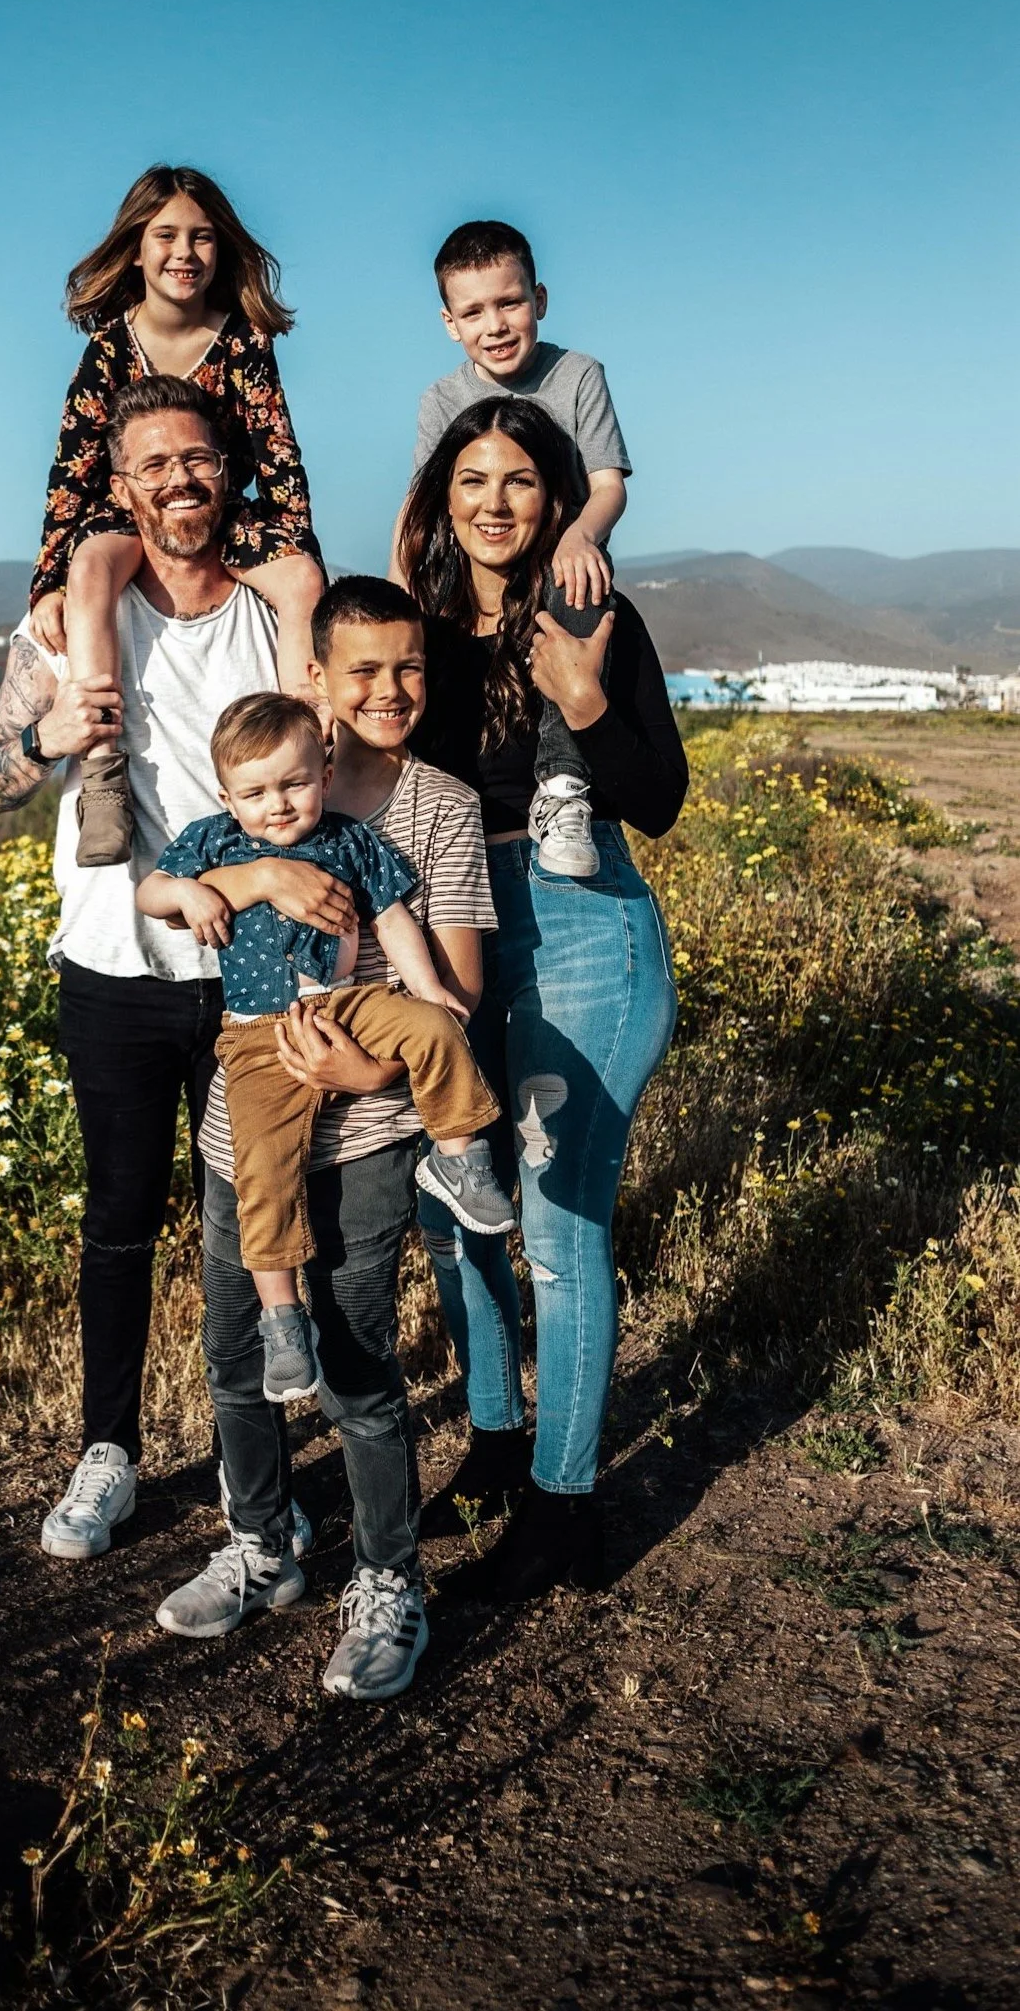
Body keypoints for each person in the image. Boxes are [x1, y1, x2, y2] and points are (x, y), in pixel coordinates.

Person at [0, 373, 323, 1563]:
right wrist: (41, 736)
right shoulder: (69, 624)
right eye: (155, 465)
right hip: (115, 964)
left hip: (251, 972)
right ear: (120, 489)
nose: (181, 480)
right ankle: (106, 1451)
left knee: (250, 1220)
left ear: (228, 474)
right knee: (120, 1216)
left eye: (199, 459)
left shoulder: (272, 618)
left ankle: (250, 1473)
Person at [154, 576, 498, 1701]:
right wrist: (249, 873)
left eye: (408, 669)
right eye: (362, 669)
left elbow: (453, 983)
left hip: (369, 1124)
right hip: (239, 1119)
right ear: (315, 681)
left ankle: (386, 1577)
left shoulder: (433, 807)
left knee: (355, 1364)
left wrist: (367, 1068)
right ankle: (262, 1543)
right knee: (238, 1353)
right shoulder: (249, 799)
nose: (389, 690)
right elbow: (161, 899)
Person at [398, 397, 686, 1599]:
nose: (494, 503)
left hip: (581, 928)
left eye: (519, 479)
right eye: (471, 479)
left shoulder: (593, 616)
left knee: (559, 1235)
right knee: (453, 1205)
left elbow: (656, 793)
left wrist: (577, 690)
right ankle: (496, 1442)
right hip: (451, 925)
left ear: (555, 497)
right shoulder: (414, 629)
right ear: (439, 497)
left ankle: (566, 1509)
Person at [135, 692, 513, 1404]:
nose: (277, 804)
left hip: (350, 1004)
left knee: (437, 1030)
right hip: (257, 1033)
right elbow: (150, 891)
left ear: (324, 771)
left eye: (294, 783)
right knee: (263, 1168)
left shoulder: (347, 839)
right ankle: (283, 1318)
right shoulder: (214, 841)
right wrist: (189, 897)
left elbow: (393, 917)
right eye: (255, 791)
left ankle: (461, 1160)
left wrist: (431, 989)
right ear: (227, 795)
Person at [28, 164, 325, 869]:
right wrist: (47, 582)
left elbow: (278, 454)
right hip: (128, 514)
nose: (184, 253)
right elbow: (71, 470)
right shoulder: (107, 348)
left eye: (201, 237)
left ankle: (310, 752)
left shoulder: (245, 340)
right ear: (136, 247)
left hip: (227, 512)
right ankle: (103, 777)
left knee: (303, 581)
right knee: (93, 564)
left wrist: (295, 550)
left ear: (221, 249)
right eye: (165, 236)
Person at [391, 219, 633, 882]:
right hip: (472, 573)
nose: (495, 324)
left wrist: (582, 533)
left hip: (561, 566)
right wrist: (395, 595)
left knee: (577, 583)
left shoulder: (578, 374)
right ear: (449, 322)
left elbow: (608, 485)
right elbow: (419, 507)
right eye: (473, 311)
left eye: (509, 302)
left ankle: (561, 786)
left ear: (540, 299)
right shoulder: (441, 399)